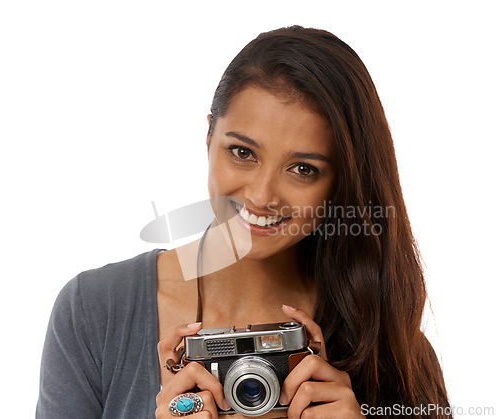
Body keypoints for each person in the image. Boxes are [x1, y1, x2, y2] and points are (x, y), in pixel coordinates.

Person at [37, 25, 451, 418]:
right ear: (208, 138)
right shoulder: (95, 311)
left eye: (303, 169)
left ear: (341, 184)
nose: (261, 196)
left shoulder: (393, 348)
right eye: (242, 153)